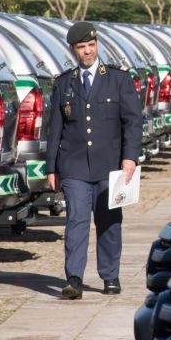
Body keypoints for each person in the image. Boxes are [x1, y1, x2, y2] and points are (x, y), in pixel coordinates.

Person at [46, 22, 143, 299]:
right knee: (76, 220)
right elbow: (55, 128)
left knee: (109, 221)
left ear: (97, 44)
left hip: (110, 165)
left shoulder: (118, 79)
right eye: (81, 47)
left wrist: (130, 158)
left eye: (91, 45)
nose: (87, 51)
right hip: (74, 164)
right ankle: (74, 278)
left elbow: (133, 122)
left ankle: (110, 275)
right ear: (72, 50)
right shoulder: (64, 83)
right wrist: (51, 166)